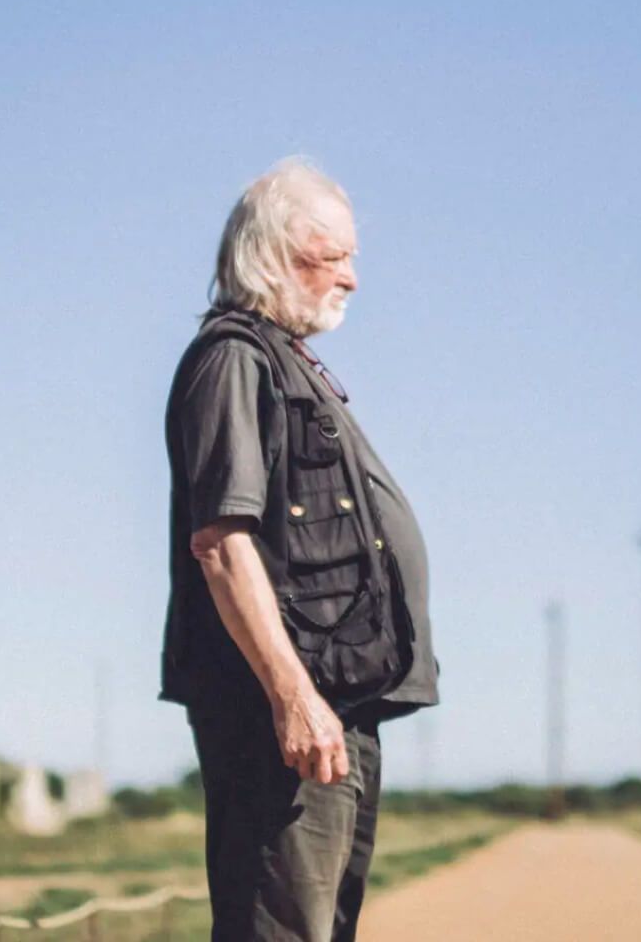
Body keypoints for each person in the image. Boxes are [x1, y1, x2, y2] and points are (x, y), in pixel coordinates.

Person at [161, 158, 439, 941]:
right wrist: (292, 696)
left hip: (333, 705)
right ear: (277, 252)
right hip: (284, 711)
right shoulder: (233, 359)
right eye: (336, 255)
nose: (352, 279)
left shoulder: (287, 362)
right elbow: (221, 543)